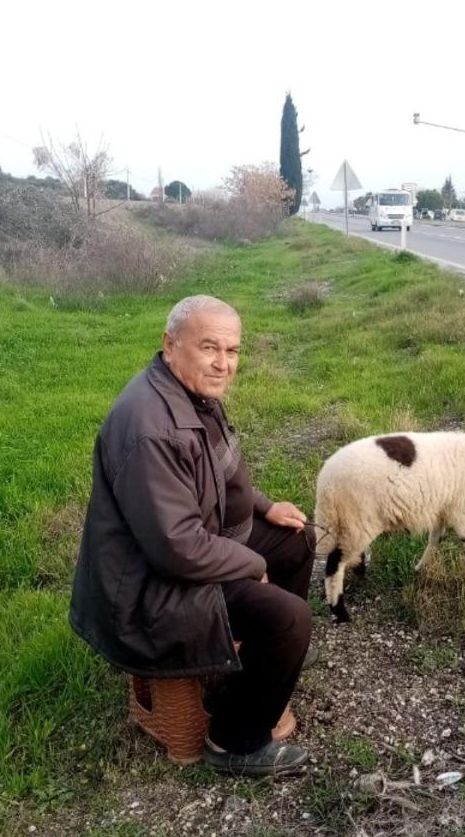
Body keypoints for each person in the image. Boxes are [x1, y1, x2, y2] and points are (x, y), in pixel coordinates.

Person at [70, 295, 315, 775]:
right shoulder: (151, 427)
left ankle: (260, 662)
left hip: (190, 547)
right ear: (170, 345)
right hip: (148, 592)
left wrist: (266, 507)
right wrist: (253, 565)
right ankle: (233, 742)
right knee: (288, 617)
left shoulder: (191, 396)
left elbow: (218, 479)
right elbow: (177, 549)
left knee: (298, 540)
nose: (224, 364)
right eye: (209, 348)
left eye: (233, 351)